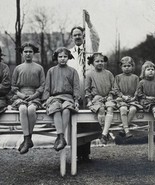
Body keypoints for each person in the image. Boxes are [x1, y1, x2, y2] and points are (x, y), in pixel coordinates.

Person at [69, 9, 100, 162]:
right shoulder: (68, 54)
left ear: (83, 36)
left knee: (87, 120)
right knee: (75, 119)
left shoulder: (91, 52)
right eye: (74, 35)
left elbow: (96, 38)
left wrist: (89, 23)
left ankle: (85, 153)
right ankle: (76, 152)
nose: (77, 37)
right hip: (74, 90)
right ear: (72, 37)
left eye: (79, 35)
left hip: (88, 89)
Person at [42, 47, 80, 151]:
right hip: (55, 97)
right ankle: (61, 137)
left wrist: (76, 100)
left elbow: (76, 87)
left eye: (65, 56)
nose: (62, 59)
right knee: (55, 108)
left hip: (68, 97)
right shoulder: (51, 71)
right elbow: (47, 87)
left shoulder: (73, 71)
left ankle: (60, 137)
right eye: (60, 57)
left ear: (68, 58)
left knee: (67, 109)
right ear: (56, 58)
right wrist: (45, 100)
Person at [10, 43, 45, 154]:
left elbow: (43, 85)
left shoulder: (39, 68)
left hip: (35, 95)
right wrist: (20, 95)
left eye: (30, 51)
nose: (28, 54)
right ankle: (27, 138)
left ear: (33, 53)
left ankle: (28, 138)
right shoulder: (18, 68)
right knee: (22, 109)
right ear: (22, 53)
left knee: (31, 109)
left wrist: (34, 95)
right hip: (20, 95)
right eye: (25, 52)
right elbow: (13, 86)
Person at [85, 53, 115, 145]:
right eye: (97, 61)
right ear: (92, 62)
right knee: (101, 109)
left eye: (102, 61)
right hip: (96, 98)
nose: (100, 63)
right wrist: (89, 101)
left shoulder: (109, 74)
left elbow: (114, 87)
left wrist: (111, 95)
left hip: (108, 98)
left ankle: (104, 134)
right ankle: (105, 132)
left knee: (110, 108)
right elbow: (87, 89)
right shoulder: (89, 74)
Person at [113, 56, 142, 138]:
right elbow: (116, 89)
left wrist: (134, 97)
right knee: (123, 109)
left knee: (133, 109)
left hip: (132, 99)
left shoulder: (135, 78)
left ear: (132, 66)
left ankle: (123, 129)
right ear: (121, 67)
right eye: (124, 66)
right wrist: (122, 96)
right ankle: (127, 130)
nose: (127, 68)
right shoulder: (118, 77)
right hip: (122, 99)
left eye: (129, 66)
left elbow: (138, 90)